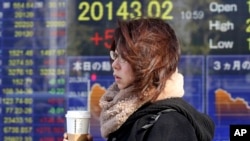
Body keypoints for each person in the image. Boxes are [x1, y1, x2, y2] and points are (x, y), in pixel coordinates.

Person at [64, 17, 215, 141]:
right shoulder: (131, 116)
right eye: (115, 56)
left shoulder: (170, 125)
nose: (115, 64)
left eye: (124, 58)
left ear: (148, 62)